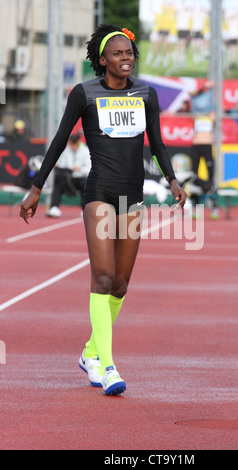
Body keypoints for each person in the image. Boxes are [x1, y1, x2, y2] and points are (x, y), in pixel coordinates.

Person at [19, 24, 186, 396]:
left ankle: (90, 352)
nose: (126, 58)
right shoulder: (84, 93)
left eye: (129, 53)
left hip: (133, 196)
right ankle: (107, 366)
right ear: (102, 60)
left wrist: (172, 180)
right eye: (118, 53)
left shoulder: (146, 94)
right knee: (104, 277)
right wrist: (36, 188)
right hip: (98, 193)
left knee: (122, 285)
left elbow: (156, 142)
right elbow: (61, 140)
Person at [46, 133, 91, 218]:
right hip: (68, 178)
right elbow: (63, 163)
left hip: (80, 177)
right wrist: (59, 165)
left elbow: (89, 168)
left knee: (85, 186)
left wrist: (79, 169)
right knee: (57, 185)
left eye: (71, 145)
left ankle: (85, 208)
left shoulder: (86, 151)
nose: (70, 146)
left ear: (76, 143)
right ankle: (54, 207)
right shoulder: (67, 150)